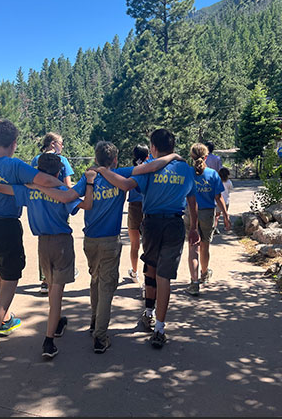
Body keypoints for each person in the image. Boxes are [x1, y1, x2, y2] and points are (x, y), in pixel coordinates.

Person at [36, 140, 183, 353]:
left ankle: (95, 321)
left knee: (95, 281)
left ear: (96, 159)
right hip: (110, 241)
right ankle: (100, 336)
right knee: (106, 287)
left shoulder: (89, 178)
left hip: (90, 241)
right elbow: (150, 166)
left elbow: (68, 197)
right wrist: (172, 157)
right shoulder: (119, 174)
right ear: (114, 159)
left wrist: (36, 187)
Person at [0, 118, 63, 362]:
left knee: (0, 271)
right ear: (14, 143)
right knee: (11, 277)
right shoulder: (14, 165)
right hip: (4, 225)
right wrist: (67, 188)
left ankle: (5, 319)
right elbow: (45, 180)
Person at [0, 152, 95, 359]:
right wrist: (90, 185)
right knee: (57, 291)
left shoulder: (28, 190)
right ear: (59, 172)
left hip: (42, 244)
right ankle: (49, 340)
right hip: (61, 243)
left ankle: (56, 322)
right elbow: (85, 205)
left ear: (38, 171)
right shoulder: (61, 189)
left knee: (50, 286)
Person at [92, 129, 200, 350]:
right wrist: (194, 228)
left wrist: (100, 171)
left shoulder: (149, 168)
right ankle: (160, 328)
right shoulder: (186, 170)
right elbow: (192, 202)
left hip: (151, 224)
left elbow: (126, 185)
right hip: (174, 224)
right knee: (165, 276)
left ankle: (149, 313)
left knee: (150, 269)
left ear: (153, 147)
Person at [31, 132, 75, 295]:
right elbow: (68, 184)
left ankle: (44, 279)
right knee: (60, 239)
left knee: (44, 243)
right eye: (60, 143)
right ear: (52, 144)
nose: (62, 147)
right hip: (58, 204)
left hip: (40, 204)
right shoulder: (61, 161)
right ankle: (58, 277)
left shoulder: (36, 159)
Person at [186, 143, 231, 297]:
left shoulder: (187, 173)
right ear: (206, 157)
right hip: (207, 214)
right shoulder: (212, 174)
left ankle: (194, 282)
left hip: (190, 213)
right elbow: (218, 198)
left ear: (191, 157)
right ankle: (204, 273)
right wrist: (225, 216)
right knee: (205, 246)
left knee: (193, 248)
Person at [126, 144, 149, 290]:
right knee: (148, 245)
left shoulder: (131, 170)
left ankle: (135, 272)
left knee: (135, 244)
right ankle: (149, 277)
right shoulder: (151, 168)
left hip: (134, 206)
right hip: (148, 206)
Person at [213, 167, 233, 234]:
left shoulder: (216, 181)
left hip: (217, 201)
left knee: (216, 216)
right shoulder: (229, 182)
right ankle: (227, 226)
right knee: (225, 214)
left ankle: (214, 227)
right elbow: (230, 189)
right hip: (226, 201)